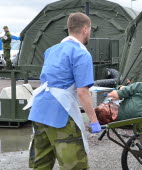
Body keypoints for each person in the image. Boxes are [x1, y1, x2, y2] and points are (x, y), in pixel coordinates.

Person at [23, 12, 101, 169]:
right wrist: (94, 121)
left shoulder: (51, 50)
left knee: (41, 165)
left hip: (39, 110)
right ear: (86, 29)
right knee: (75, 166)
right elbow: (82, 92)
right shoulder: (81, 53)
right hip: (60, 113)